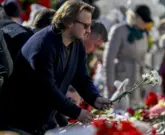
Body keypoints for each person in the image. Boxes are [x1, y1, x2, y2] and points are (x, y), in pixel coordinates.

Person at [0, 0, 111, 134]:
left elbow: (82, 78)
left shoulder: (76, 43)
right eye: (85, 25)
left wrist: (95, 98)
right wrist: (76, 112)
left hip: (43, 120)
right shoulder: (44, 44)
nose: (88, 30)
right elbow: (47, 88)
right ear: (69, 22)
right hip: (20, 119)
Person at [103, 5, 152, 103]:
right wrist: (110, 83)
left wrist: (145, 85)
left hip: (137, 80)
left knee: (135, 111)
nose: (146, 23)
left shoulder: (143, 35)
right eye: (144, 20)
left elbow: (143, 61)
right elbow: (109, 59)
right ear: (136, 17)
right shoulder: (119, 30)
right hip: (120, 78)